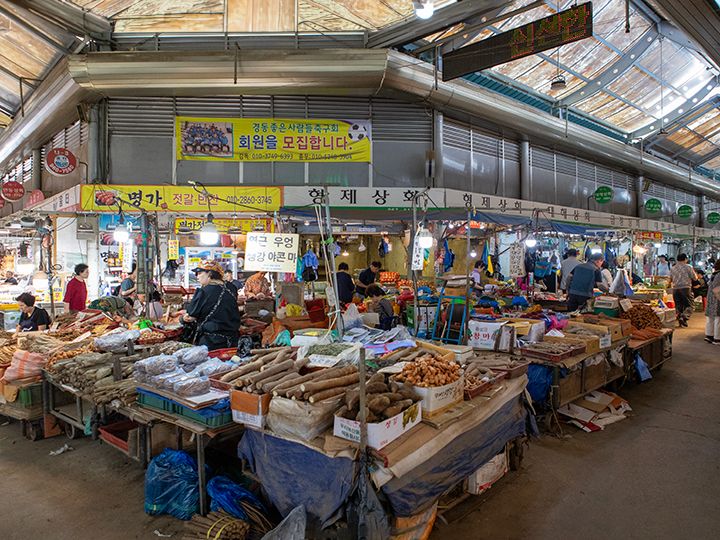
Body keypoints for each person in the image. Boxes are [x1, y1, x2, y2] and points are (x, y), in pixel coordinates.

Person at [183, 260, 241, 349]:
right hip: (233, 341)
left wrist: (183, 318)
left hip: (211, 342)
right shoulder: (231, 287)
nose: (197, 276)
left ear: (209, 274)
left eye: (199, 273)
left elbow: (191, 316)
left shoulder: (203, 292)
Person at [669, 253, 697, 327]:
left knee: (678, 306)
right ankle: (684, 317)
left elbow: (670, 279)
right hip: (685, 288)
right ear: (685, 259)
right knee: (690, 305)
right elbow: (694, 277)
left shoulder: (673, 268)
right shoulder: (688, 267)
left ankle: (680, 320)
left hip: (675, 289)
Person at [704, 259, 720, 344]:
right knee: (718, 318)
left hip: (711, 297)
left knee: (710, 318)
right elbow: (717, 288)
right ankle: (717, 338)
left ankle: (709, 335)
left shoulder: (714, 274)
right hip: (717, 298)